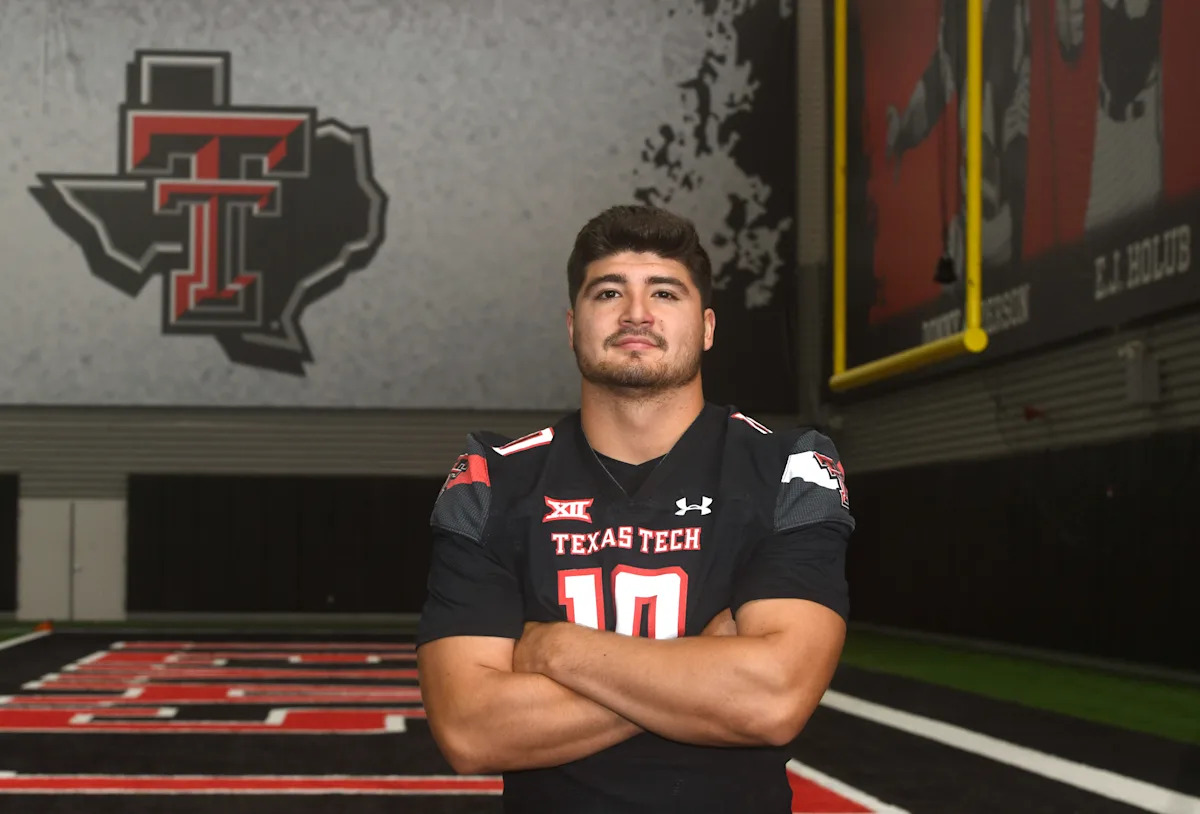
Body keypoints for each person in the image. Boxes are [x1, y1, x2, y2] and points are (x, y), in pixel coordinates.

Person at [415, 204, 854, 813]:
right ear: (573, 326)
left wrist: (555, 650)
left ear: (706, 327)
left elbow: (772, 700)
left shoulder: (787, 468)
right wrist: (701, 669)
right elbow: (469, 729)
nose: (636, 313)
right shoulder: (496, 480)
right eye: (609, 292)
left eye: (665, 292)